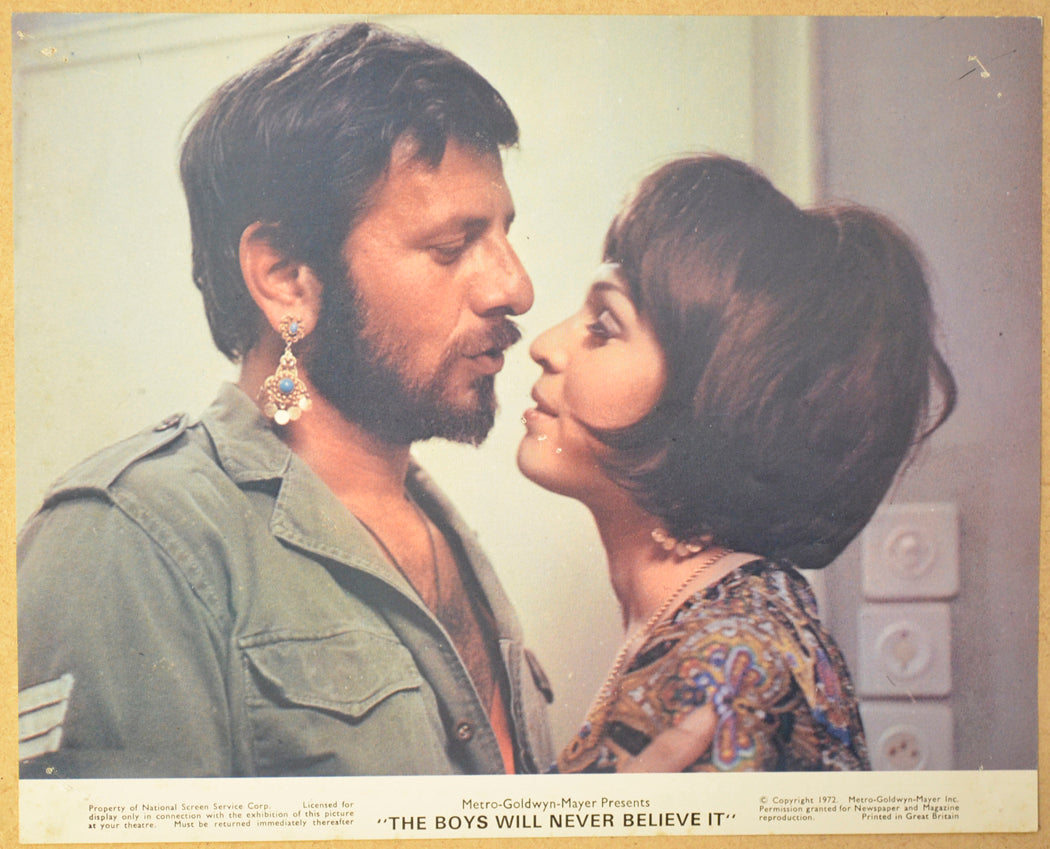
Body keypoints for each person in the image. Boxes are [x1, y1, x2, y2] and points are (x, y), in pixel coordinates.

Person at [17, 22, 555, 777]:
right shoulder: (128, 541)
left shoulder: (446, 532)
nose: (516, 287)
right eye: (452, 245)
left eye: (503, 233)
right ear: (285, 279)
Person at [518, 153, 956, 772]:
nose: (544, 346)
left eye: (604, 326)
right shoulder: (726, 615)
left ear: (709, 403)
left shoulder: (724, 663)